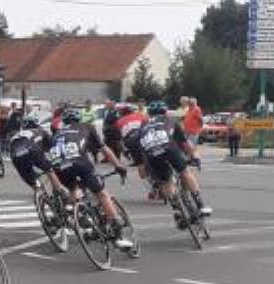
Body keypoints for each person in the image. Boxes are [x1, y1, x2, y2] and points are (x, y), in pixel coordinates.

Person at [49, 108, 133, 249]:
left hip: (59, 168)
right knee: (101, 193)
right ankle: (118, 236)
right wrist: (118, 166)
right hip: (80, 163)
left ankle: (81, 216)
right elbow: (104, 149)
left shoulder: (56, 134)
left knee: (73, 189)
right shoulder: (87, 126)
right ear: (79, 119)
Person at [140, 101, 212, 221]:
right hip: (167, 147)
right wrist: (195, 157)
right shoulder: (170, 120)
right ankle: (200, 205)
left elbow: (142, 148)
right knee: (185, 172)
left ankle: (176, 211)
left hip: (151, 153)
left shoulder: (143, 125)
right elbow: (185, 144)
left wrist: (148, 167)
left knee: (166, 181)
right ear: (165, 112)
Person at [182, 96, 204, 162]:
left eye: (191, 103)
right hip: (187, 131)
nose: (189, 104)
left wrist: (200, 127)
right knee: (188, 145)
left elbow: (200, 119)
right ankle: (190, 158)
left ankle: (195, 159)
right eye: (189, 103)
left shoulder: (197, 109)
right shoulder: (189, 110)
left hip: (194, 131)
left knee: (192, 145)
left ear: (194, 103)